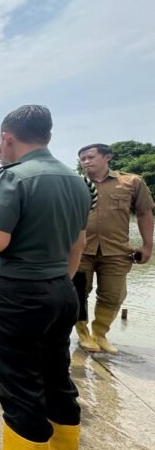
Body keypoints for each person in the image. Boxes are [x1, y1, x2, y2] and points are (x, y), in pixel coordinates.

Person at [0, 105, 92, 450]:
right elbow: (79, 243)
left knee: (18, 384)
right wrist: (60, 281)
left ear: (7, 138)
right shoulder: (76, 179)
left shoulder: (13, 178)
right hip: (60, 288)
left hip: (18, 292)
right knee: (57, 377)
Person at [74, 143, 154, 353]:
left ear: (107, 157)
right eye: (82, 159)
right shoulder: (75, 183)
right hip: (80, 249)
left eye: (90, 157)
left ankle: (100, 334)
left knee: (113, 295)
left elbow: (145, 213)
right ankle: (83, 333)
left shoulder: (131, 182)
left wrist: (147, 245)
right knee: (77, 292)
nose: (86, 162)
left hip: (117, 250)